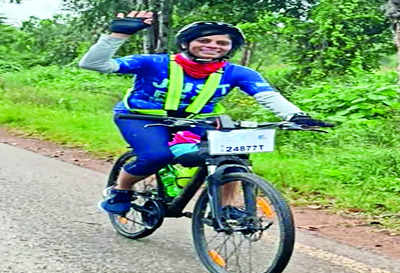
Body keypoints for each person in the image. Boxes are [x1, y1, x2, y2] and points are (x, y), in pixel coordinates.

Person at [79, 11, 332, 215]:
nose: (213, 46)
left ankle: (228, 207)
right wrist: (117, 36)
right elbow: (93, 64)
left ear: (230, 48)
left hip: (196, 121)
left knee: (233, 153)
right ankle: (121, 189)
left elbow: (267, 95)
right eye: (204, 40)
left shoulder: (237, 73)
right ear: (187, 44)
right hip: (141, 118)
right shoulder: (154, 63)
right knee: (157, 155)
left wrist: (296, 116)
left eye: (222, 43)